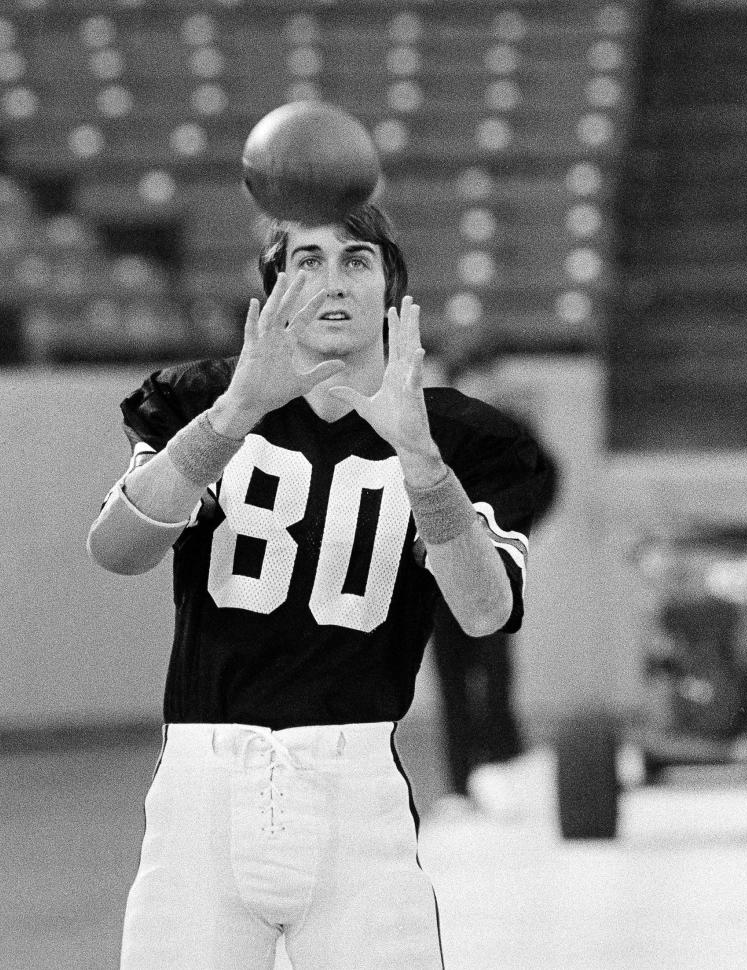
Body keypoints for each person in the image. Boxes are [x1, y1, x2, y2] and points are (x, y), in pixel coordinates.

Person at [87, 202, 555, 970]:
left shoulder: (459, 435)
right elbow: (118, 550)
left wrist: (422, 463)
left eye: (356, 260)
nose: (333, 282)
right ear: (273, 290)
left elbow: (483, 612)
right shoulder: (204, 400)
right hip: (202, 789)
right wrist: (235, 414)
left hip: (356, 790)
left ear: (391, 292)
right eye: (307, 260)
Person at [429, 341, 560, 819]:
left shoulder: (511, 430)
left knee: (496, 667)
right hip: (440, 570)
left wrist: (514, 533)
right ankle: (462, 781)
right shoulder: (431, 427)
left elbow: (547, 480)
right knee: (451, 674)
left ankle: (506, 765)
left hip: (493, 564)